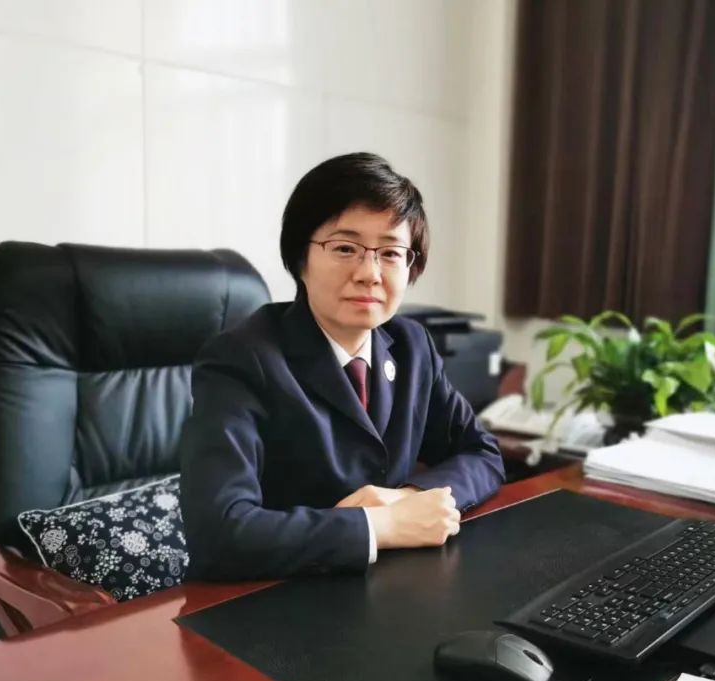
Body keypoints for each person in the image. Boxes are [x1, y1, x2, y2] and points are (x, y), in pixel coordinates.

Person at [180, 152, 504, 580]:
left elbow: (482, 453)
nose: (370, 273)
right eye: (346, 248)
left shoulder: (412, 346)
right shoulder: (241, 358)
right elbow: (219, 533)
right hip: (271, 594)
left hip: (389, 584)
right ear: (301, 257)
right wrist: (378, 526)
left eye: (391, 253)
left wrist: (406, 498)